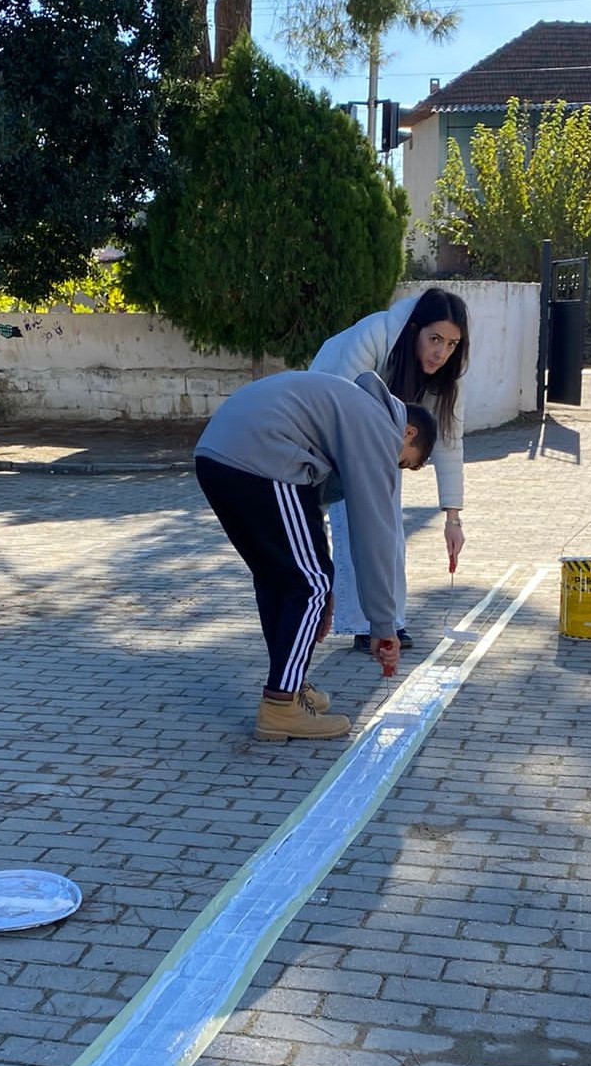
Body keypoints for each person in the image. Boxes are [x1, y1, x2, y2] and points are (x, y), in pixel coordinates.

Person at [194, 369, 436, 741]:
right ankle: (280, 706)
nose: (396, 469)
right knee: (307, 586)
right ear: (408, 433)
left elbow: (310, 514)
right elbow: (376, 533)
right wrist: (383, 626)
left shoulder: (350, 411)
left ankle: (292, 682)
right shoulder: (379, 429)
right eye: (404, 462)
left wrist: (326, 591)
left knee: (281, 578)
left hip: (219, 455)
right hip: (260, 457)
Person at [310, 288, 469, 653]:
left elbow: (448, 441)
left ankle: (390, 622)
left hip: (384, 439)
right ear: (414, 329)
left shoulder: (447, 376)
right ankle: (365, 625)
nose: (441, 352)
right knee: (356, 526)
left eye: (451, 344)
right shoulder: (373, 336)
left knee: (389, 530)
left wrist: (453, 519)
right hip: (333, 432)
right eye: (434, 339)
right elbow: (338, 403)